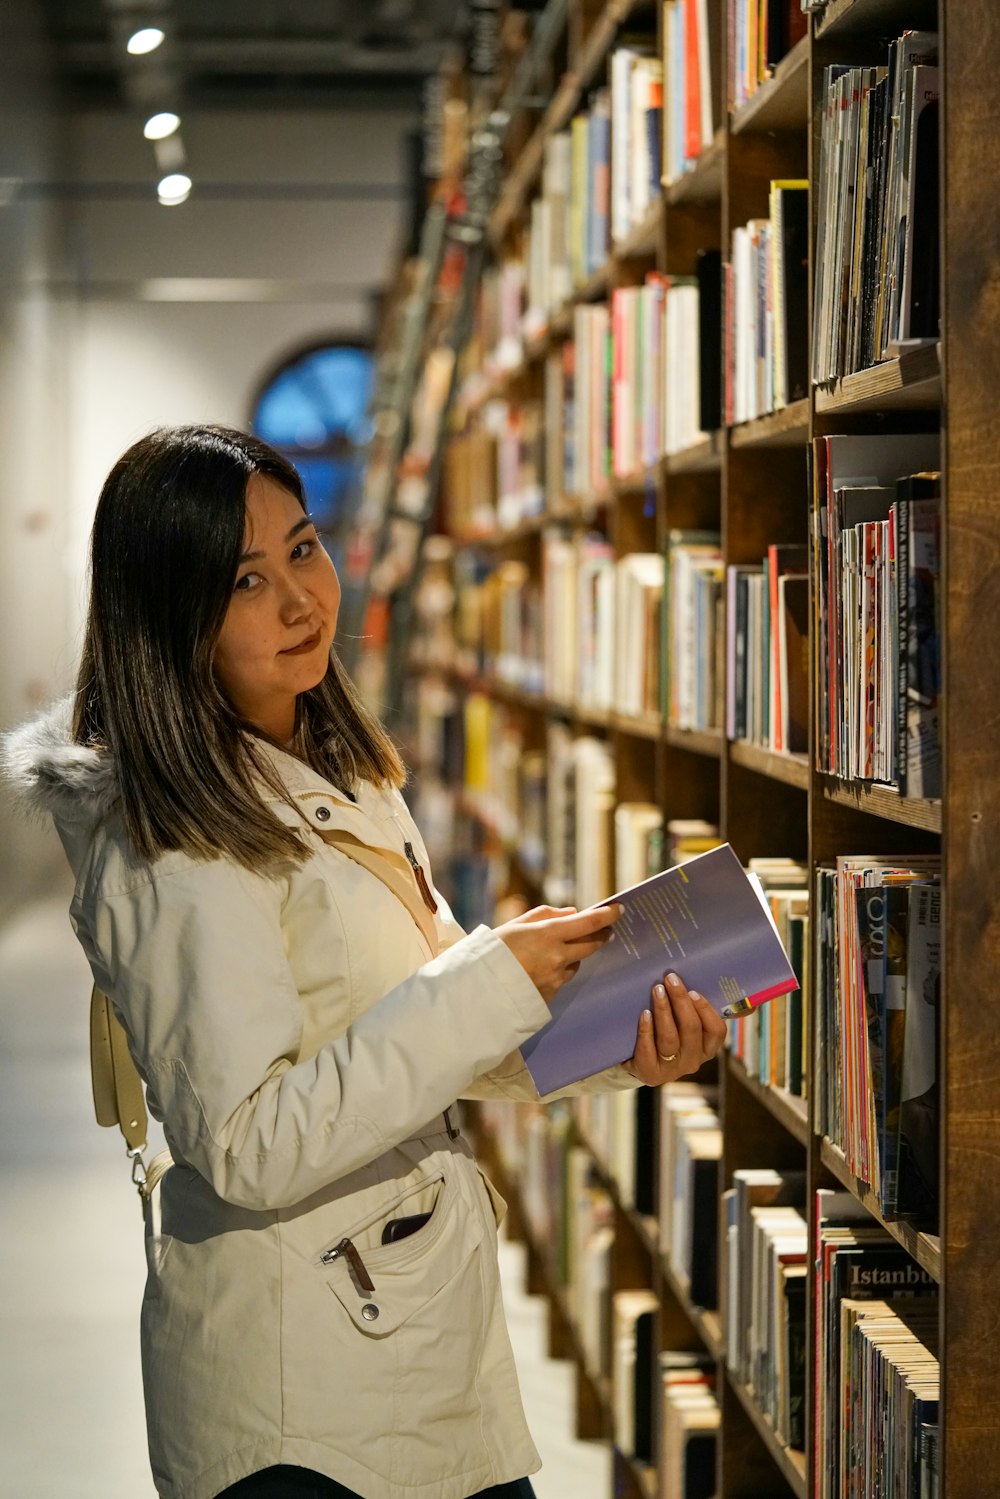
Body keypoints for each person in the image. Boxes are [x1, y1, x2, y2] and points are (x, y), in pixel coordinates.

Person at [3, 426, 726, 1499]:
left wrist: (619, 1033)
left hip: (401, 1342)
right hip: (306, 1399)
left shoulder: (324, 763)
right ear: (171, 611)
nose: (302, 599)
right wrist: (487, 981)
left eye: (304, 547)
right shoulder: (176, 842)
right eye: (246, 579)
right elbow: (249, 1141)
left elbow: (420, 1032)